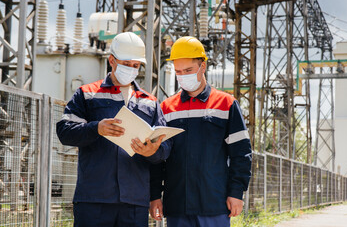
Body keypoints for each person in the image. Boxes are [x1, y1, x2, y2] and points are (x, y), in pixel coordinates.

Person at [56, 32, 171, 227]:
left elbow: (166, 148)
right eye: (127, 64)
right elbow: (65, 131)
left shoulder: (150, 103)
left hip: (134, 202)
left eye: (136, 66)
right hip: (94, 199)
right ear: (112, 60)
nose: (132, 69)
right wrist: (96, 128)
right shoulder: (87, 94)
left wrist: (154, 151)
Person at [149, 36, 252, 227]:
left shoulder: (226, 104)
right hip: (177, 205)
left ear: (202, 66)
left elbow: (241, 153)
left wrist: (236, 192)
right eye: (179, 72)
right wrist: (155, 194)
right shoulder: (166, 108)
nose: (183, 76)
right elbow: (157, 159)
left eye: (188, 70)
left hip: (214, 204)